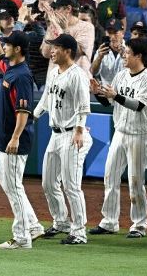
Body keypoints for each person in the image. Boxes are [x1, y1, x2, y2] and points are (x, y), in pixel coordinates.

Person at [89, 38, 147, 238]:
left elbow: (139, 106)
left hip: (139, 134)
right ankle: (109, 221)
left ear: (138, 56)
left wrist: (115, 95)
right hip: (120, 132)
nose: (124, 55)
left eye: (128, 52)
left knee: (136, 181)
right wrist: (97, 93)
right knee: (110, 176)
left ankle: (139, 225)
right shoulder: (120, 75)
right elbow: (108, 102)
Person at [32, 33, 92, 245]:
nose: (52, 51)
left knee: (71, 185)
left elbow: (84, 107)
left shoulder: (78, 75)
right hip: (56, 135)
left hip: (72, 134)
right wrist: (33, 116)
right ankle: (61, 222)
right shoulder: (54, 72)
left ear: (68, 51)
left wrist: (79, 130)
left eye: (56, 47)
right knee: (48, 183)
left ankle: (79, 231)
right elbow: (46, 99)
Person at [0, 30, 44, 249]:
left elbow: (23, 112)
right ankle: (33, 225)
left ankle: (22, 237)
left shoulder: (21, 76)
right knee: (10, 185)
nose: (4, 47)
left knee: (13, 186)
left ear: (18, 49)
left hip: (15, 139)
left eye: (7, 44)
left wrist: (15, 138)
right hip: (7, 138)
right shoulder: (12, 69)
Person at [41, 0, 95, 72]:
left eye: (58, 8)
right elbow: (45, 54)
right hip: (55, 78)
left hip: (76, 79)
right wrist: (51, 26)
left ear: (68, 9)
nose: (55, 12)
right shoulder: (54, 25)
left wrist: (65, 30)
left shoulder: (87, 27)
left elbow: (76, 53)